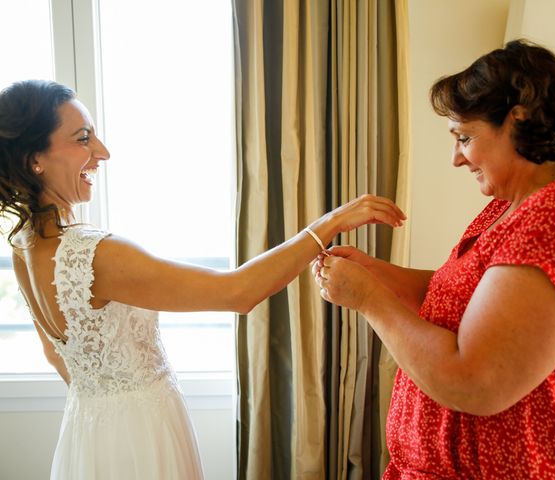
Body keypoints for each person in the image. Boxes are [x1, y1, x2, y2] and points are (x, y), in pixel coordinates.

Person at [0, 79, 406, 480]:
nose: (102, 152)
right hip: (140, 435)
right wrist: (327, 224)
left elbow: (57, 355)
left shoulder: (25, 247)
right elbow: (238, 292)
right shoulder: (97, 255)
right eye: (83, 138)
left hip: (87, 431)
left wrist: (105, 407)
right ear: (35, 158)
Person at [313, 40, 555, 479]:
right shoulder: (515, 204)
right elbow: (473, 302)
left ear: (517, 118)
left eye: (465, 138)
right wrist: (379, 274)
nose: (456, 158)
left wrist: (368, 298)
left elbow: (476, 382)